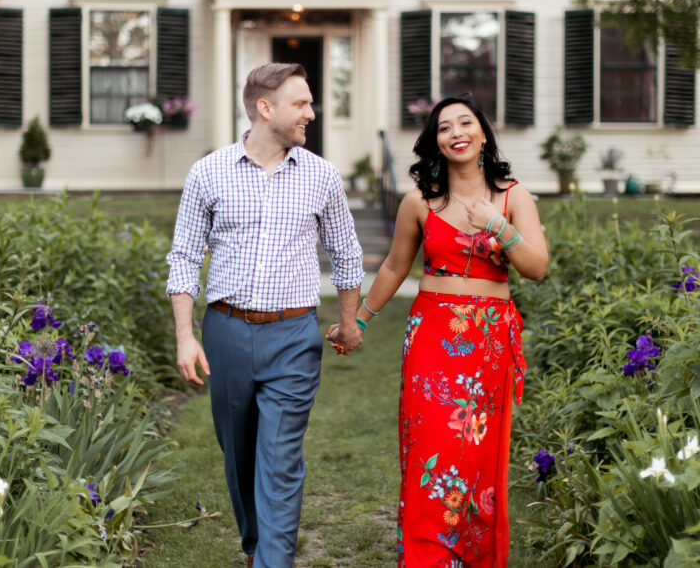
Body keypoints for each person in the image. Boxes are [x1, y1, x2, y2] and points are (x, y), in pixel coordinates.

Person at [327, 94, 548, 567]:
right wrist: (358, 321)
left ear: (483, 134)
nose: (456, 132)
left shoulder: (513, 196)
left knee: (476, 453)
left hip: (488, 341)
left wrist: (498, 228)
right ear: (436, 144)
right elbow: (392, 267)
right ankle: (427, 557)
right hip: (432, 335)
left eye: (465, 123)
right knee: (432, 445)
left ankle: (473, 554)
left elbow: (537, 267)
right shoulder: (419, 203)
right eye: (444, 128)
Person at [165, 62, 365, 568]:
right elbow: (185, 257)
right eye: (301, 103)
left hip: (295, 335)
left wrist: (346, 322)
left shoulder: (321, 176)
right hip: (227, 331)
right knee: (239, 453)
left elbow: (347, 254)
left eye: (311, 104)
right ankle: (256, 545)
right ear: (265, 107)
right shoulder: (208, 172)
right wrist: (186, 337)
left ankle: (273, 560)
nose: (311, 114)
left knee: (278, 459)